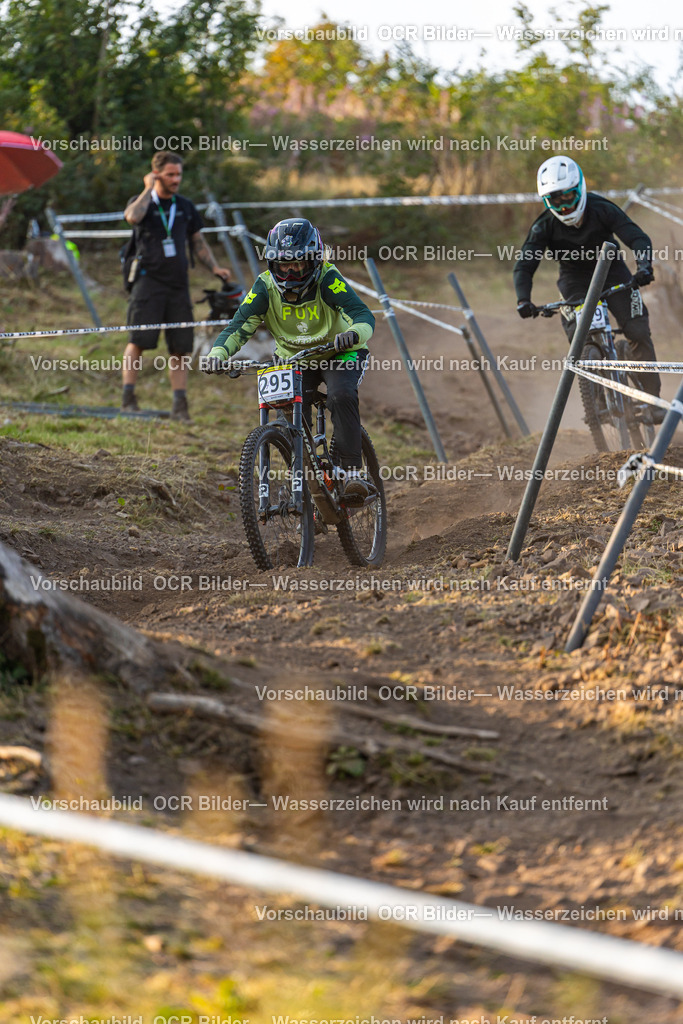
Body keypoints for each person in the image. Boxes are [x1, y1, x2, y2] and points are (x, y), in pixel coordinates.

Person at [203, 217, 375, 497]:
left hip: (341, 352)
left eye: (299, 263)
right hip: (294, 359)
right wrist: (218, 353)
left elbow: (362, 315)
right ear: (273, 263)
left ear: (314, 261)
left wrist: (354, 333)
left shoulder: (328, 279)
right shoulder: (264, 288)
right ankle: (305, 484)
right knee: (287, 418)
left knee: (340, 395)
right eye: (284, 265)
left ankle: (352, 471)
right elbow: (238, 327)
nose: (292, 272)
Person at [514, 156, 664, 422]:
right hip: (574, 280)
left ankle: (653, 401)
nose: (563, 206)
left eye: (568, 197)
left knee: (637, 331)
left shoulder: (602, 208)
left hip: (612, 272)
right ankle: (596, 400)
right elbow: (525, 265)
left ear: (580, 188)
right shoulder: (543, 225)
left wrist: (643, 267)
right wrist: (523, 300)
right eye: (554, 201)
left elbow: (637, 237)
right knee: (579, 340)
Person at [121, 152, 232, 421]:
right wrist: (148, 188)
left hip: (178, 286)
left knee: (180, 347)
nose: (176, 180)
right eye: (170, 174)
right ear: (157, 173)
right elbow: (132, 218)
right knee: (138, 341)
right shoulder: (144, 203)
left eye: (179, 174)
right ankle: (128, 398)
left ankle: (180, 405)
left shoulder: (185, 206)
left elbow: (197, 241)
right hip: (148, 282)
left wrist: (214, 267)